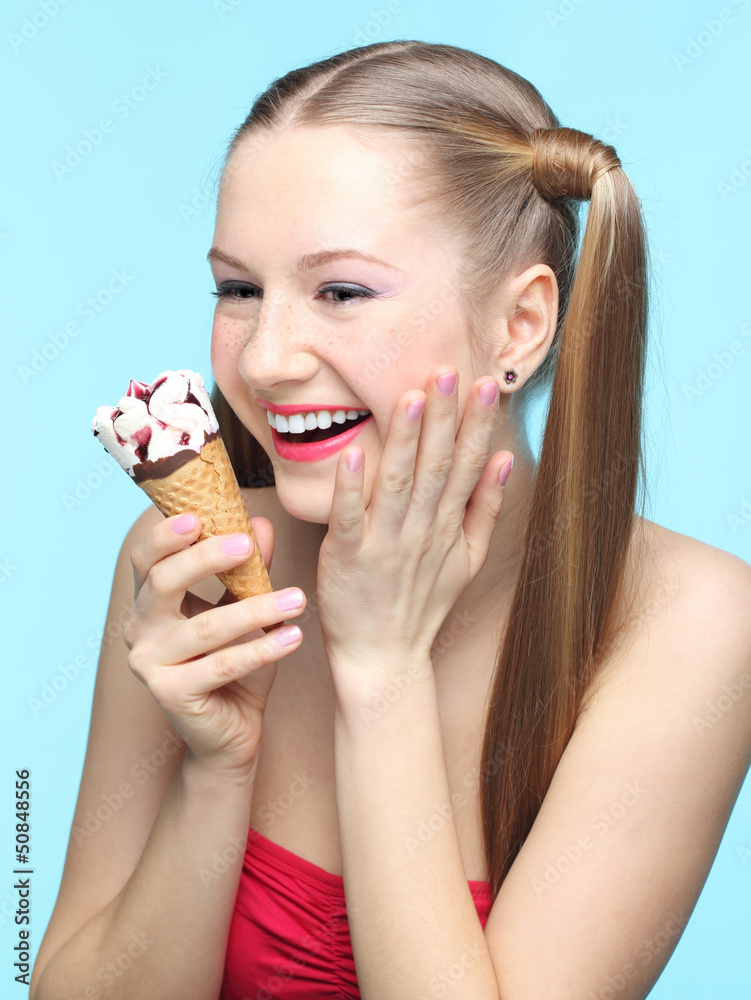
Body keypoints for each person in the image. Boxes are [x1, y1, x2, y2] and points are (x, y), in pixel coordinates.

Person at [31, 40, 751, 1000]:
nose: (266, 360)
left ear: (520, 326)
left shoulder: (692, 625)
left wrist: (381, 678)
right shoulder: (195, 569)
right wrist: (217, 772)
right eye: (239, 289)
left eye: (341, 292)